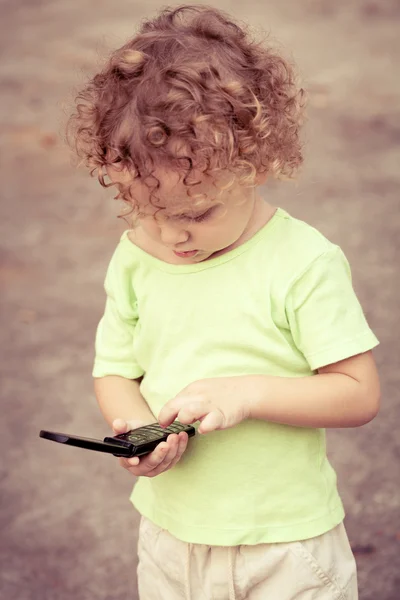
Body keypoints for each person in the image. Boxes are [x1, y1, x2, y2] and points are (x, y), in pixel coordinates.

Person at [67, 5, 380, 599]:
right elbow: (114, 369)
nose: (171, 236)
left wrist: (248, 393)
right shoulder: (136, 259)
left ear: (256, 164)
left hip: (284, 544)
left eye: (197, 213)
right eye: (148, 212)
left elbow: (358, 392)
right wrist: (134, 428)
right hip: (170, 536)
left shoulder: (302, 261)